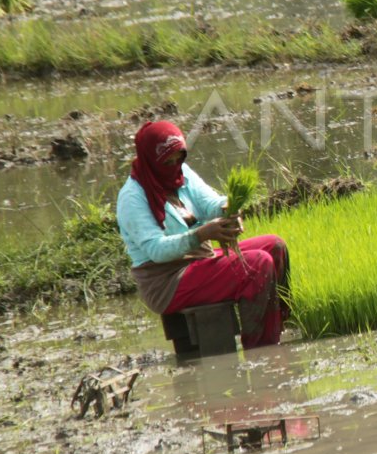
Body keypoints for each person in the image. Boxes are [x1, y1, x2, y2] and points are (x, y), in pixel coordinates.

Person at [117, 120, 290, 349]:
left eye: (179, 157)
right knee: (258, 264)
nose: (174, 165)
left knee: (275, 246)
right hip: (167, 279)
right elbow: (156, 250)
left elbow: (210, 203)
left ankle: (278, 327)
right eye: (167, 161)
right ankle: (262, 348)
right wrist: (201, 234)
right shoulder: (132, 198)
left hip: (198, 260)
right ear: (150, 161)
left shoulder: (181, 173)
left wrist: (229, 209)